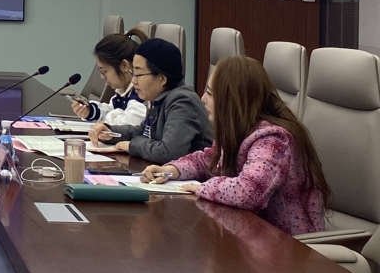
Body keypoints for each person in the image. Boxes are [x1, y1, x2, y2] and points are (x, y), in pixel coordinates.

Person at [140, 56, 328, 235]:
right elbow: (209, 158)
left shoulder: (273, 140)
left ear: (232, 100)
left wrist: (202, 187)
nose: (203, 98)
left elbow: (248, 192)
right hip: (253, 235)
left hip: (290, 246)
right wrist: (171, 170)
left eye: (210, 93)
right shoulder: (241, 129)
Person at [90, 38, 213, 163]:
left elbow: (169, 153)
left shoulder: (183, 102)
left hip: (197, 174)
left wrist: (133, 145)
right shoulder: (158, 97)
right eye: (133, 73)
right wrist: (111, 132)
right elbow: (142, 131)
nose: (133, 81)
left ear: (162, 78)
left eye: (138, 75)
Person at [71, 28, 148, 125]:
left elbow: (129, 122)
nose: (102, 77)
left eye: (104, 71)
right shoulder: (123, 92)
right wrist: (90, 111)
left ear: (124, 66)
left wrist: (106, 120)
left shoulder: (141, 92)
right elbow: (111, 111)